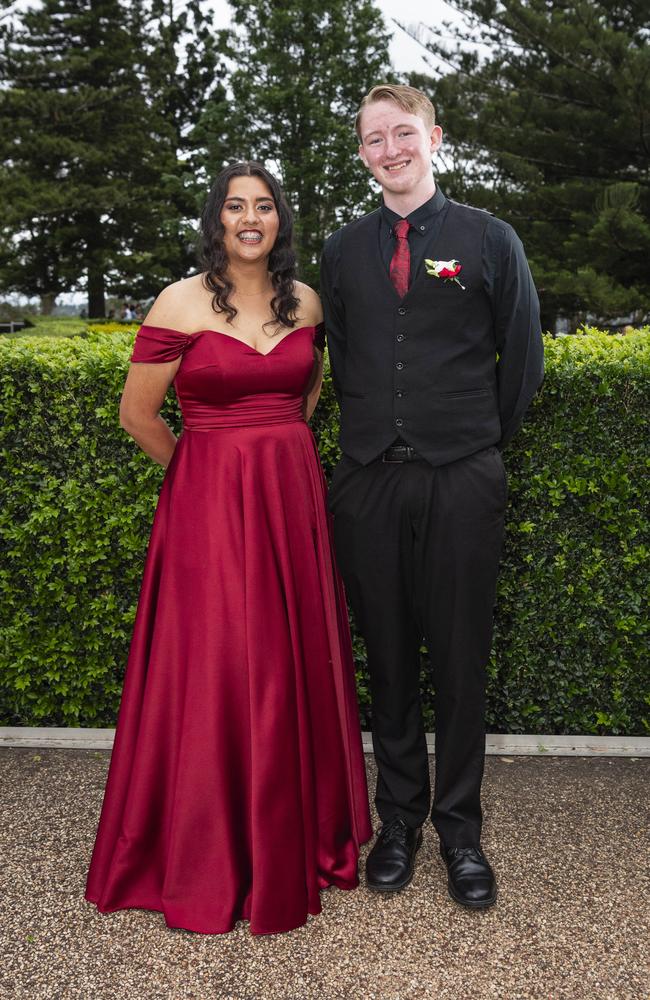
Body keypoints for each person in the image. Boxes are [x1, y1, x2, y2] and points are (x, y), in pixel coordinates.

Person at [85, 161, 372, 935]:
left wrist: (270, 459)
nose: (251, 218)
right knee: (215, 659)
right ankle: (209, 853)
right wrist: (203, 474)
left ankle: (297, 838)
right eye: (235, 206)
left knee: (288, 659)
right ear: (215, 220)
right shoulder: (178, 300)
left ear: (281, 220)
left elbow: (305, 398)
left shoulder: (306, 301)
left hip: (289, 500)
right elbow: (139, 415)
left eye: (265, 206)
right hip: (206, 505)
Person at [320, 85, 544, 908]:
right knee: (386, 660)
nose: (390, 149)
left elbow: (522, 363)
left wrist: (473, 446)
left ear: (434, 138)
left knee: (458, 661)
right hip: (371, 482)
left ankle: (460, 834)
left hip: (462, 481)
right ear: (363, 155)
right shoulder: (343, 252)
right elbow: (343, 360)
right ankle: (398, 823)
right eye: (374, 139)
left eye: (402, 132)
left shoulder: (488, 238)